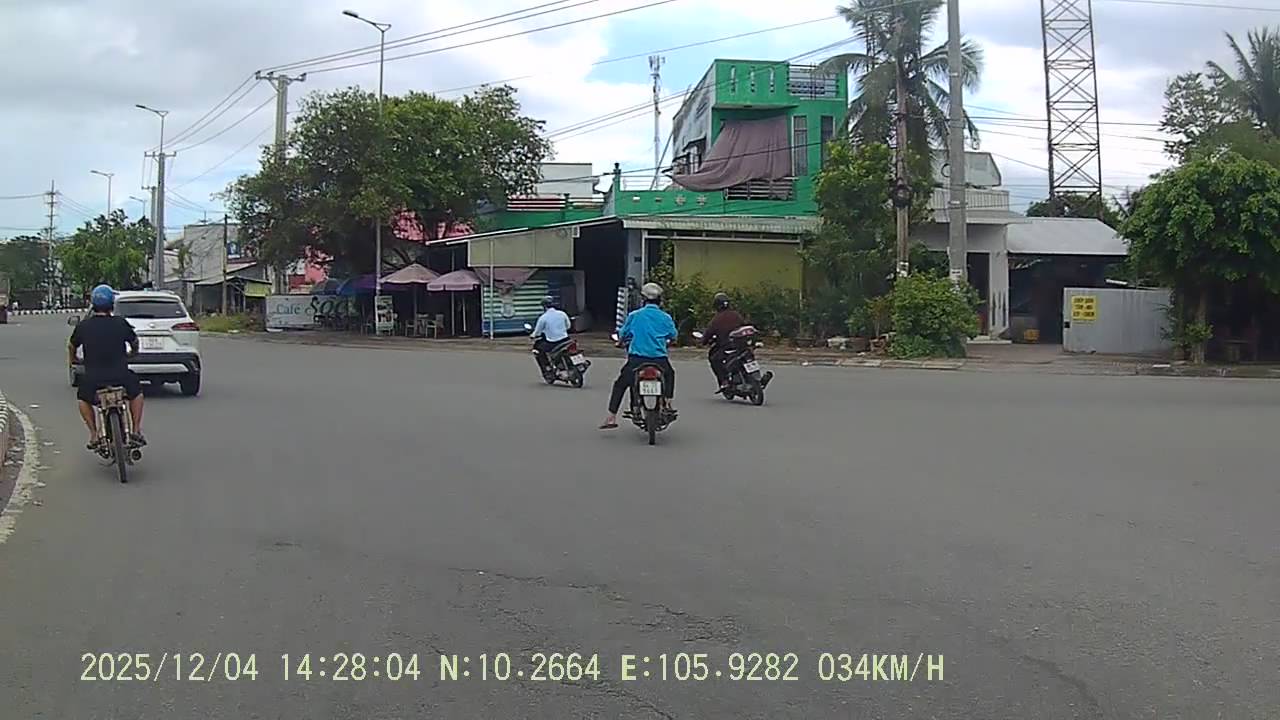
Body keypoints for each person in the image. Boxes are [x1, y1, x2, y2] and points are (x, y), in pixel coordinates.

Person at [69, 284, 145, 449]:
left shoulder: (84, 326)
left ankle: (94, 434)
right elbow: (134, 342)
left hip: (94, 377)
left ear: (93, 304)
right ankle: (136, 430)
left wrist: (73, 360)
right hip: (120, 375)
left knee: (83, 398)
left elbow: (72, 345)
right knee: (137, 393)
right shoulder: (120, 323)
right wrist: (133, 353)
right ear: (112, 304)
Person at [600, 282, 677, 430]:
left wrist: (620, 342)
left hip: (637, 360)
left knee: (620, 384)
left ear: (643, 299)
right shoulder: (665, 317)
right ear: (660, 300)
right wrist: (668, 342)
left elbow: (623, 334)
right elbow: (673, 336)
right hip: (659, 360)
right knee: (670, 374)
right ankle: (667, 402)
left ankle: (611, 417)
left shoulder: (635, 316)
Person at [701, 292, 746, 391]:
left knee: (714, 359)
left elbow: (708, 333)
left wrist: (703, 341)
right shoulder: (736, 315)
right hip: (742, 345)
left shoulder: (716, 319)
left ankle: (724, 381)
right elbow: (744, 325)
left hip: (726, 346)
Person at [530, 294, 571, 374]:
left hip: (553, 342)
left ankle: (547, 367)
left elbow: (537, 332)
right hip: (566, 339)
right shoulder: (562, 313)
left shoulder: (543, 318)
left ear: (544, 306)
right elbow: (568, 326)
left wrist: (532, 336)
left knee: (538, 348)